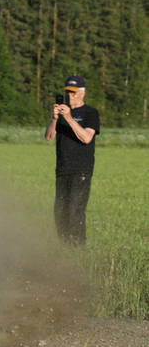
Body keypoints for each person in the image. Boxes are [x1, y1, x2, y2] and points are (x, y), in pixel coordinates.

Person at [44, 75, 100, 246]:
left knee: (75, 210)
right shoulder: (61, 114)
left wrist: (68, 117)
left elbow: (86, 138)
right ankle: (64, 247)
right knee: (60, 212)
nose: (70, 95)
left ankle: (78, 248)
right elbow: (49, 137)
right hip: (62, 169)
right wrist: (55, 119)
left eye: (74, 92)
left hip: (81, 170)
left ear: (82, 93)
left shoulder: (90, 113)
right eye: (68, 92)